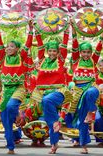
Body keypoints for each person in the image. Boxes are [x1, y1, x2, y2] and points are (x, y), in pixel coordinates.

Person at [0, 21, 33, 154]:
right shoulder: (3, 57)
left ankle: (18, 114)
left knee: (10, 107)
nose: (8, 48)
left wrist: (31, 29)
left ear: (17, 49)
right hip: (5, 91)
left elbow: (27, 45)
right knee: (5, 122)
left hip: (19, 89)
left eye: (12, 46)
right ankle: (11, 147)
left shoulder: (22, 56)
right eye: (7, 46)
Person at [33, 24, 71, 154]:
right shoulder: (43, 60)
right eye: (50, 50)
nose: (52, 53)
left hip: (58, 92)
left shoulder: (60, 60)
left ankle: (56, 121)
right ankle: (54, 144)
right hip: (44, 93)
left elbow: (65, 44)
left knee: (47, 101)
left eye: (54, 51)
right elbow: (40, 44)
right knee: (49, 120)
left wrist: (67, 31)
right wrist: (36, 29)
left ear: (58, 52)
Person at [70, 24, 103, 154]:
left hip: (90, 89)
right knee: (78, 119)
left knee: (92, 92)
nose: (86, 54)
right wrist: (73, 30)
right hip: (78, 91)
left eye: (88, 52)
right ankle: (82, 143)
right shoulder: (75, 60)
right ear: (80, 53)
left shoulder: (93, 60)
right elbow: (74, 45)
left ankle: (91, 111)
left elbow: (99, 47)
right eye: (84, 52)